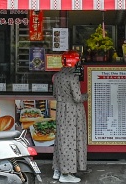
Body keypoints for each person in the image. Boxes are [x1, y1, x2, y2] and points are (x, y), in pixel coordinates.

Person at [51, 50, 88, 183]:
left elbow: (55, 94)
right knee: (70, 140)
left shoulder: (58, 75)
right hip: (72, 110)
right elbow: (77, 98)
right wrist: (87, 95)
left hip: (61, 109)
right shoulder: (72, 76)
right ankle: (66, 174)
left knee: (61, 139)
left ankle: (57, 169)